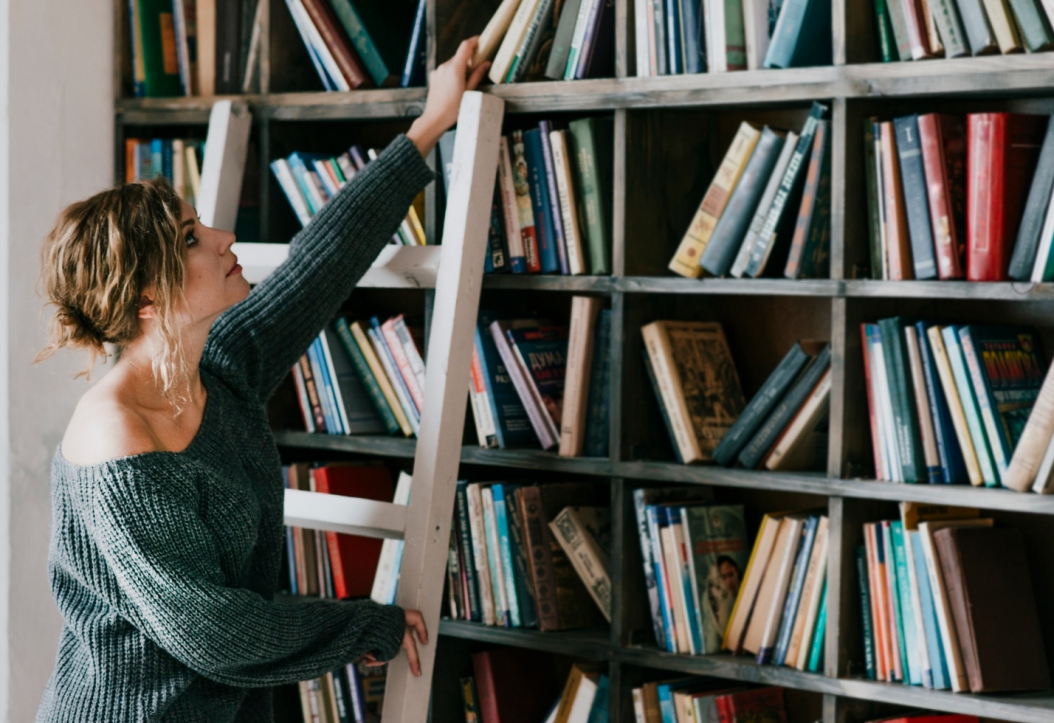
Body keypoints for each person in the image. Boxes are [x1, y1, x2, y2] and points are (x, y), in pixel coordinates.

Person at [33, 37, 490, 723]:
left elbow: (321, 263)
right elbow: (215, 632)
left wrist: (429, 126)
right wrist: (362, 624)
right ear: (147, 300)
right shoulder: (116, 439)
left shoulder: (218, 367)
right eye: (191, 239)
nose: (221, 236)